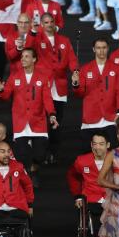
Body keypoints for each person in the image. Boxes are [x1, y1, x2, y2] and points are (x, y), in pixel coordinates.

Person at [0, 48, 58, 186]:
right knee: (21, 155)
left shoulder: (42, 77)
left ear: (34, 59)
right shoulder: (14, 76)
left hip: (38, 120)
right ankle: (27, 174)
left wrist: (51, 115)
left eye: (27, 57)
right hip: (20, 121)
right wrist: (0, 90)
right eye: (22, 57)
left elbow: (47, 98)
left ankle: (34, 168)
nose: (23, 59)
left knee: (40, 154)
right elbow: (6, 96)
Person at [31, 13, 78, 162]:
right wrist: (32, 32)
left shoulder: (64, 40)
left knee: (56, 120)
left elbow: (72, 59)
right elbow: (27, 49)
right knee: (41, 118)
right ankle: (40, 149)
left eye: (51, 21)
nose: (49, 24)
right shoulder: (36, 40)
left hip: (59, 86)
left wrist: (75, 71)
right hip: (42, 85)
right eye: (46, 22)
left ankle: (53, 151)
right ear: (42, 25)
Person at [72, 38, 119, 145]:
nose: (101, 51)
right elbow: (79, 94)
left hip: (110, 118)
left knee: (112, 154)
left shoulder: (117, 69)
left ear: (108, 49)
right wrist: (76, 83)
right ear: (93, 49)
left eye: (104, 48)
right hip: (90, 119)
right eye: (98, 48)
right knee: (88, 155)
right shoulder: (85, 69)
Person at [67, 133, 110, 237]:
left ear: (108, 145)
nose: (97, 147)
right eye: (94, 144)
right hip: (91, 200)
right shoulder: (81, 161)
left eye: (101, 144)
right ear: (91, 145)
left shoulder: (117, 160)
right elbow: (73, 177)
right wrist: (77, 196)